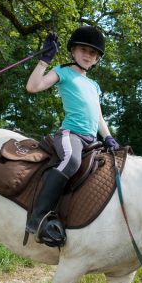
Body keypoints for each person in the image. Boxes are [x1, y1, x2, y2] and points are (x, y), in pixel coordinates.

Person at [24, 26, 120, 247]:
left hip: (92, 139)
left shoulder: (94, 85)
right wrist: (44, 60)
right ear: (73, 51)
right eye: (84, 50)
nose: (88, 55)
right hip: (71, 134)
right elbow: (33, 86)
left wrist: (108, 137)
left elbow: (98, 117)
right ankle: (37, 218)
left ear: (97, 59)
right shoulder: (63, 71)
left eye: (93, 53)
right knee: (72, 160)